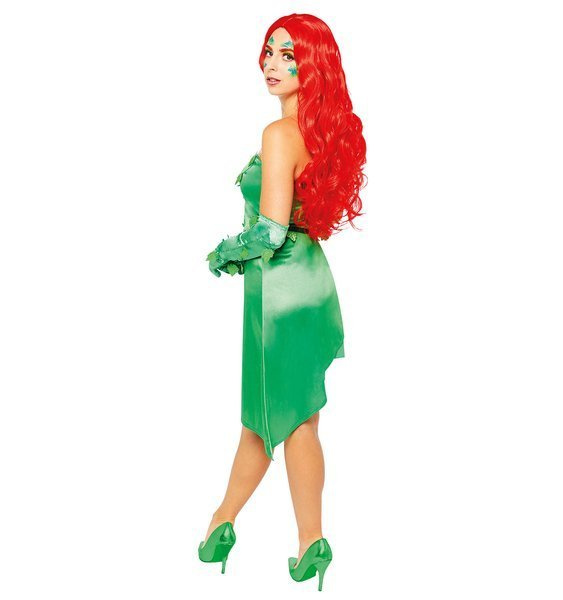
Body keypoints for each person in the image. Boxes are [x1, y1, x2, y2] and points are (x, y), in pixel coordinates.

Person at [198, 13, 367, 591]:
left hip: (278, 291)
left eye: (289, 55)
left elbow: (269, 233)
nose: (272, 64)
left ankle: (229, 524)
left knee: (269, 417)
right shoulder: (322, 133)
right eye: (269, 51)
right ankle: (290, 538)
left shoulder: (279, 135)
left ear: (312, 66)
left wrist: (223, 253)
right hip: (311, 283)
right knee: (298, 420)